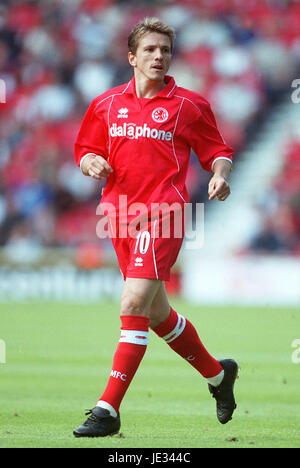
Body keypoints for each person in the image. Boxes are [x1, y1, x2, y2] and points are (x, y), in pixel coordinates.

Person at [73, 17, 238, 438]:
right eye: (149, 49)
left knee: (132, 305)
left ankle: (107, 409)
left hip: (164, 215)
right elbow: (87, 148)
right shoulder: (106, 104)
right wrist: (89, 161)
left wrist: (220, 173)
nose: (158, 56)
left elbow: (217, 150)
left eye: (164, 49)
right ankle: (219, 376)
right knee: (159, 314)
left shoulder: (188, 105)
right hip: (118, 214)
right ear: (132, 56)